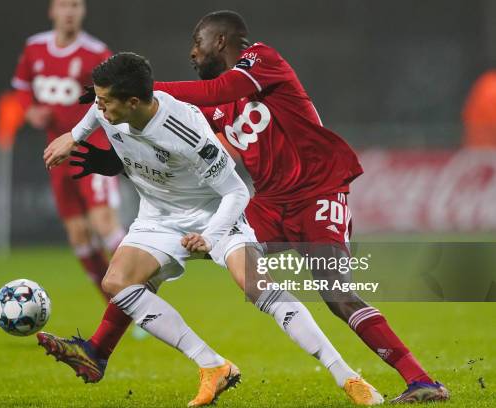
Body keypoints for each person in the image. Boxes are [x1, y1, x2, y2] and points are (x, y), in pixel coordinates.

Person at [40, 52, 383, 406]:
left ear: (133, 102)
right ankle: (212, 365)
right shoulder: (110, 108)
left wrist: (210, 236)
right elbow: (95, 112)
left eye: (105, 101)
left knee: (255, 286)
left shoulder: (185, 129)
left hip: (216, 213)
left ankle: (346, 376)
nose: (99, 108)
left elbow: (235, 192)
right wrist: (74, 136)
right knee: (116, 282)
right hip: (158, 217)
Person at [150, 10, 449, 404]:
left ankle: (421, 381)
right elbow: (184, 123)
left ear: (220, 41)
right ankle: (101, 348)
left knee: (337, 296)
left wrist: (145, 86)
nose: (192, 52)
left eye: (197, 42)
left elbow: (212, 92)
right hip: (271, 205)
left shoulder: (261, 59)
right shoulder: (222, 105)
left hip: (318, 192)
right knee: (162, 251)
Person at [11, 0, 124, 295]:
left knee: (103, 222)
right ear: (52, 10)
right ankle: (115, 304)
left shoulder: (97, 53)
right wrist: (30, 111)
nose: (70, 11)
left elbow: (117, 96)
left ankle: (141, 290)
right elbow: (22, 87)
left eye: (76, 5)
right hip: (57, 154)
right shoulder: (34, 48)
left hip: (93, 150)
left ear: (83, 11)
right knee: (78, 235)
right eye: (64, 5)